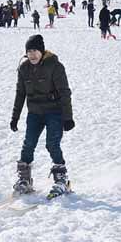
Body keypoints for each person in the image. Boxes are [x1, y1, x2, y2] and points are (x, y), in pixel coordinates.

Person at [10, 34, 74, 199]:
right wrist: (15, 117)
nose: (32, 55)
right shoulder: (24, 68)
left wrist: (68, 117)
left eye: (35, 51)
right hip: (35, 113)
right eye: (29, 51)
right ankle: (25, 180)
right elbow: (20, 94)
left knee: (52, 144)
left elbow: (65, 92)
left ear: (42, 51)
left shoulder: (55, 66)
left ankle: (62, 180)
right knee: (28, 144)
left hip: (54, 111)